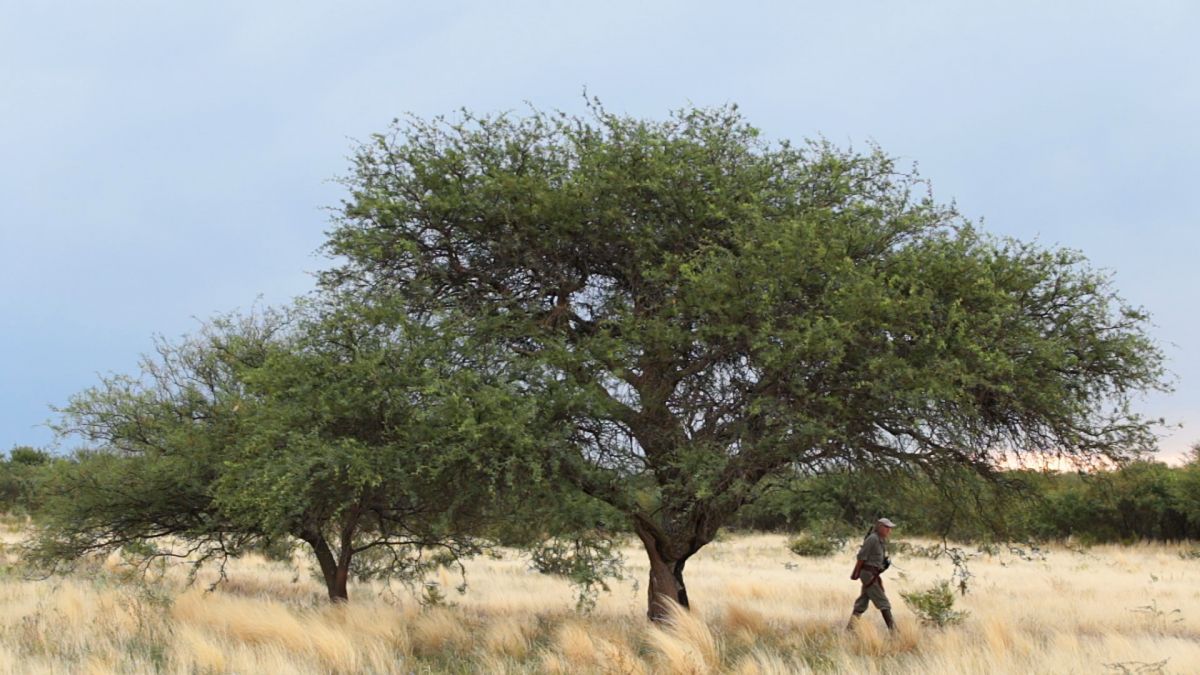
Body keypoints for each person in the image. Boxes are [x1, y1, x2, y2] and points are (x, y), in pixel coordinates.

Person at [847, 517, 896, 631]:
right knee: (884, 603)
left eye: (890, 528)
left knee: (862, 602)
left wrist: (883, 566)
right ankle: (894, 630)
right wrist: (856, 573)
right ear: (879, 527)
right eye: (886, 527)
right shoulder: (872, 539)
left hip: (873, 574)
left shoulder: (881, 540)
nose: (889, 530)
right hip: (869, 574)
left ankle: (850, 629)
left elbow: (875, 561)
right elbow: (861, 557)